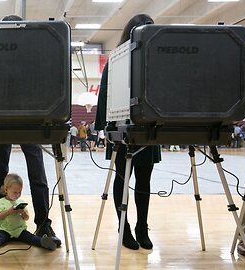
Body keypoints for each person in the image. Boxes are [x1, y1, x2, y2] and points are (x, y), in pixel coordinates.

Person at [0, 15, 62, 247]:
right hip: (0, 120)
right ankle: (3, 222)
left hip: (31, 119)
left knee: (37, 174)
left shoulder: (33, 55)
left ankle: (42, 223)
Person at [95, 14, 161, 250]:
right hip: (121, 129)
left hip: (149, 129)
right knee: (122, 180)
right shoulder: (117, 60)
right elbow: (104, 93)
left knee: (144, 181)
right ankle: (124, 229)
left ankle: (142, 227)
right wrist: (104, 128)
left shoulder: (156, 60)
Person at [0, 173, 57, 255]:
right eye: (15, 192)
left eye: (20, 192)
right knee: (0, 238)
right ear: (6, 189)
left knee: (30, 237)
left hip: (19, 230)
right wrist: (8, 212)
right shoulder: (1, 202)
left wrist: (23, 213)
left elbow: (26, 218)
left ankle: (43, 242)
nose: (17, 195)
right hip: (4, 229)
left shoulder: (20, 202)